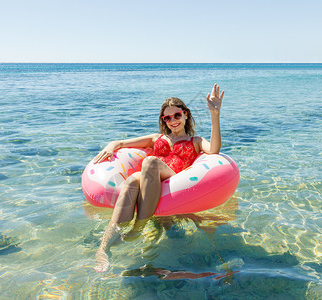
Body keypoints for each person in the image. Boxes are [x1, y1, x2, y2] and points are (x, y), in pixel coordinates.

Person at [93, 83, 225, 272]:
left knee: (150, 162)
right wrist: (111, 145)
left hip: (174, 181)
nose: (173, 120)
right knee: (130, 181)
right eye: (168, 117)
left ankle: (139, 227)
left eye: (177, 115)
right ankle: (103, 249)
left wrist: (214, 113)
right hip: (149, 181)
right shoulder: (157, 138)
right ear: (164, 120)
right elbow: (121, 142)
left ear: (186, 114)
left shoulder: (194, 141)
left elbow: (214, 150)